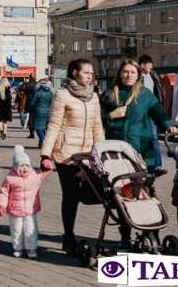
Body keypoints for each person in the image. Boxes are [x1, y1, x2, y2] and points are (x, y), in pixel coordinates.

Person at [100, 59, 178, 246]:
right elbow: (97, 119)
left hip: (141, 150)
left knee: (146, 193)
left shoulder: (145, 95)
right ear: (120, 73)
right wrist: (111, 116)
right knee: (122, 193)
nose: (128, 75)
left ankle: (151, 233)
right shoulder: (109, 94)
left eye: (132, 72)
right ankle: (125, 235)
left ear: (138, 75)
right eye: (125, 72)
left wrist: (168, 126)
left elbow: (158, 113)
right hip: (116, 152)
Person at [40, 59, 105, 257]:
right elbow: (54, 125)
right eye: (86, 73)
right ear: (74, 73)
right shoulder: (62, 95)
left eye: (91, 73)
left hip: (87, 155)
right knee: (71, 197)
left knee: (93, 193)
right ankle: (69, 237)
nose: (90, 76)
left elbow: (97, 126)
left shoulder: (93, 97)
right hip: (66, 155)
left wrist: (103, 150)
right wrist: (45, 154)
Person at [0, 145, 53, 258]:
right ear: (16, 167)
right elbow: (3, 192)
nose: (25, 168)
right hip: (15, 210)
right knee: (16, 230)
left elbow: (44, 174)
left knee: (31, 229)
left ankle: (31, 248)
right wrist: (2, 205)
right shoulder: (10, 178)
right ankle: (17, 247)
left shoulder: (34, 176)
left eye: (27, 166)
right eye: (22, 166)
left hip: (30, 209)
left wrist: (48, 166)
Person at [138, 55, 167, 177]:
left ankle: (157, 165)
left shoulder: (153, 75)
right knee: (141, 137)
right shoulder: (136, 77)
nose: (151, 67)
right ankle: (142, 164)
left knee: (154, 137)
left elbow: (158, 91)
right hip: (139, 111)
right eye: (149, 64)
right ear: (142, 65)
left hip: (151, 109)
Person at [29, 78, 54, 149]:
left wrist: (29, 109)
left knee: (38, 128)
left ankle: (44, 142)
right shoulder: (50, 93)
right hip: (48, 111)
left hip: (38, 111)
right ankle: (40, 144)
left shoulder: (37, 92)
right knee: (43, 127)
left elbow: (32, 102)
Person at [24, 74, 37, 139]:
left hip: (29, 102)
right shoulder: (37, 84)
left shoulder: (28, 84)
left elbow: (21, 89)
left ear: (30, 77)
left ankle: (31, 133)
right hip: (37, 103)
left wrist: (25, 83)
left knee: (29, 118)